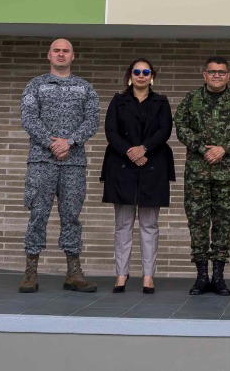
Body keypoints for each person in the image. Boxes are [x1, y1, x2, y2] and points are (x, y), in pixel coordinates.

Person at [18, 38, 101, 294]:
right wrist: (51, 143)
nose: (61, 54)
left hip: (73, 163)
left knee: (72, 217)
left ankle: (73, 273)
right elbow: (28, 118)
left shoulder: (85, 88)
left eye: (66, 51)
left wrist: (70, 142)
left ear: (73, 56)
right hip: (42, 161)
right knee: (38, 215)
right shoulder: (36, 85)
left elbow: (93, 120)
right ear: (49, 55)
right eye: (57, 50)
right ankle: (31, 272)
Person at [174, 56, 230, 296]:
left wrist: (224, 148)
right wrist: (202, 148)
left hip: (228, 174)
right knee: (198, 224)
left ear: (228, 76)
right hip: (198, 173)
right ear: (204, 75)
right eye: (212, 72)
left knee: (223, 225)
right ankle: (201, 276)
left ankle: (219, 277)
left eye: (221, 72)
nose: (217, 75)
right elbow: (180, 126)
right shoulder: (192, 98)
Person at [99, 59, 174, 294]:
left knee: (149, 225)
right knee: (123, 225)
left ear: (152, 76)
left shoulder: (161, 102)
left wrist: (144, 149)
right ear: (130, 75)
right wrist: (131, 152)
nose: (141, 75)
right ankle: (121, 274)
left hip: (153, 166)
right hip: (122, 166)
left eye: (146, 72)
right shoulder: (118, 101)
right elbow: (110, 131)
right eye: (137, 71)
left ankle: (148, 276)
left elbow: (165, 130)